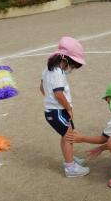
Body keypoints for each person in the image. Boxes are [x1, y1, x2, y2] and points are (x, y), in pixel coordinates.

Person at [40, 36, 90, 177]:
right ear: (66, 60)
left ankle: (70, 159)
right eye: (73, 65)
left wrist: (49, 99)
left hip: (54, 110)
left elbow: (41, 87)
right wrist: (68, 107)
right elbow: (58, 94)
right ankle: (70, 168)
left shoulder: (48, 69)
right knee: (69, 136)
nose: (72, 69)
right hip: (57, 111)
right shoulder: (58, 72)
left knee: (66, 135)